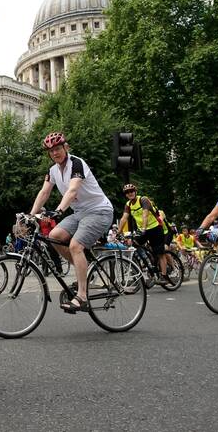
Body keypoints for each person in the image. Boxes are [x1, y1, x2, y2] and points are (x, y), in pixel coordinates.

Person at [29, 132, 113, 312]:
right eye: (51, 151)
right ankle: (86, 270)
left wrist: (59, 210)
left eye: (58, 148)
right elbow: (44, 193)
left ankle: (82, 296)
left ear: (65, 148)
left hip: (99, 211)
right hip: (80, 213)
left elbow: (73, 189)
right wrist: (30, 215)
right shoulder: (52, 171)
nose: (55, 153)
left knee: (75, 246)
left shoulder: (77, 163)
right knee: (54, 236)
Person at [118, 183, 170, 283]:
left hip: (155, 227)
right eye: (127, 192)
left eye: (132, 191)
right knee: (133, 244)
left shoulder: (143, 200)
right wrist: (118, 232)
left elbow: (145, 215)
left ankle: (164, 275)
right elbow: (124, 218)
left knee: (160, 252)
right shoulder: (128, 205)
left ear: (135, 191)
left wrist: (144, 228)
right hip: (143, 229)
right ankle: (148, 262)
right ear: (126, 195)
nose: (130, 193)